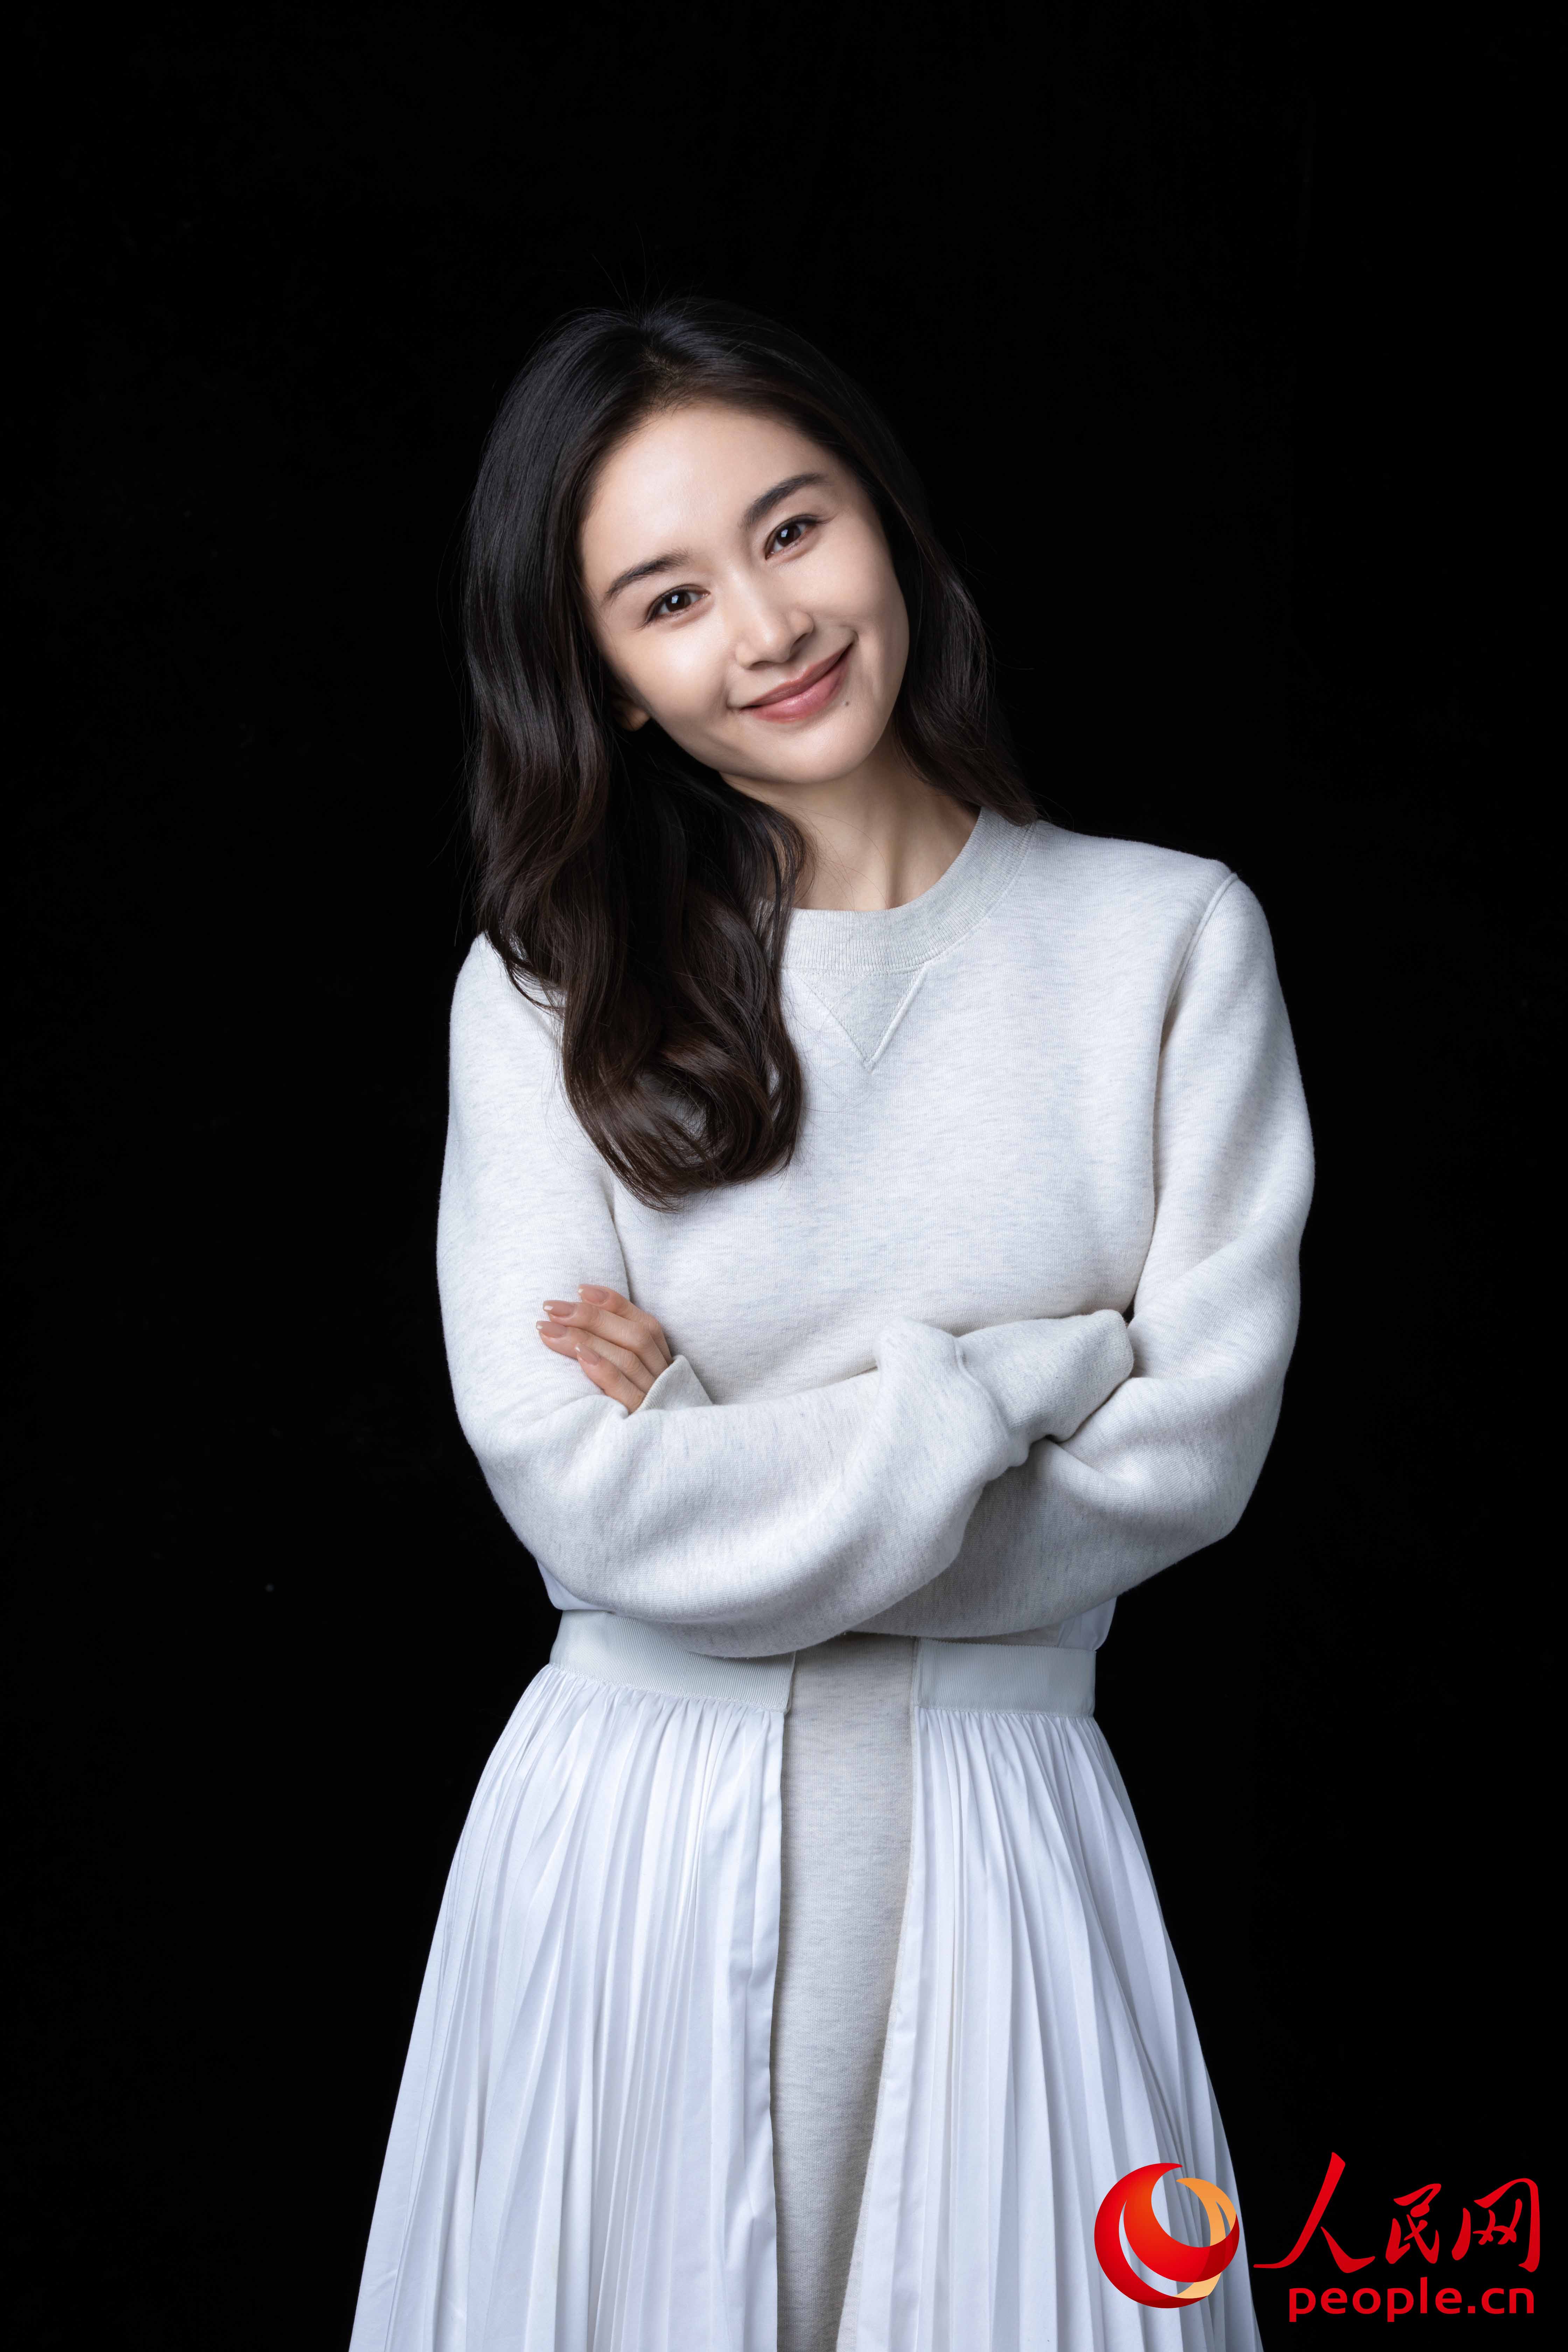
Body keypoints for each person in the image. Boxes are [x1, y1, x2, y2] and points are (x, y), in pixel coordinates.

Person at [348, 295, 1313, 2352]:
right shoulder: (544, 995)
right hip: (629, 1844)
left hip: (1008, 1836)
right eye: (670, 596)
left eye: (793, 529)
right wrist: (1022, 1380)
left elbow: (1194, 1456)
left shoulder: (1167, 944)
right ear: (604, 682)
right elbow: (586, 1496)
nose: (768, 624)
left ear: (885, 516)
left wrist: (724, 1441)